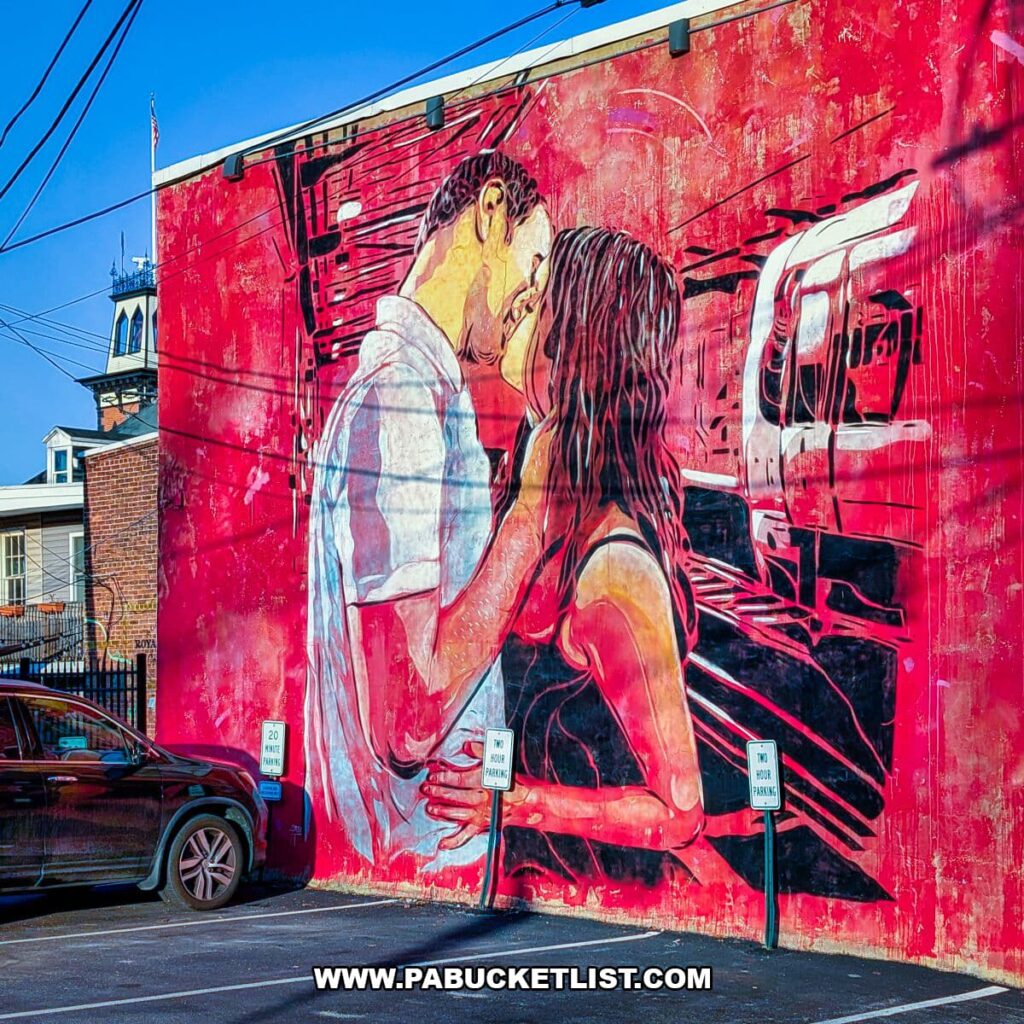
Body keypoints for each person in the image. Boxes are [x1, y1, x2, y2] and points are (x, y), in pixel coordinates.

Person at [422, 227, 706, 878]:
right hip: (523, 899)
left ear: (581, 332)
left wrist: (523, 804)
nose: (526, 288)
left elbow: (680, 810)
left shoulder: (614, 569)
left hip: (591, 908)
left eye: (549, 279)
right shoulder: (528, 503)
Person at [306, 151, 553, 877]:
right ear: (489, 214)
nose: (529, 302)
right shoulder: (400, 400)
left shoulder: (424, 396)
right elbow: (408, 721)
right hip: (424, 859)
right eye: (532, 267)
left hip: (429, 856)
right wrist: (529, 523)